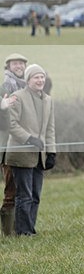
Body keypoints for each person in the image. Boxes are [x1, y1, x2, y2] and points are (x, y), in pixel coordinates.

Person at [4, 64, 56, 235]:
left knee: (36, 195)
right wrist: (29, 138)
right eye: (36, 77)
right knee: (24, 195)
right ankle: (23, 232)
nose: (40, 80)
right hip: (21, 155)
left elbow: (50, 128)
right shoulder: (17, 97)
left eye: (42, 77)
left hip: (39, 156)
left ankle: (30, 228)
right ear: (28, 80)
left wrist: (51, 151)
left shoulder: (48, 100)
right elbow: (11, 125)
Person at [1, 53, 28, 236]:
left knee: (19, 187)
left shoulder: (26, 87)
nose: (18, 66)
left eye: (21, 63)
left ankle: (16, 228)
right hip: (6, 145)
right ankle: (8, 231)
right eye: (15, 63)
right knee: (11, 186)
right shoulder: (5, 86)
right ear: (8, 66)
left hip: (22, 145)